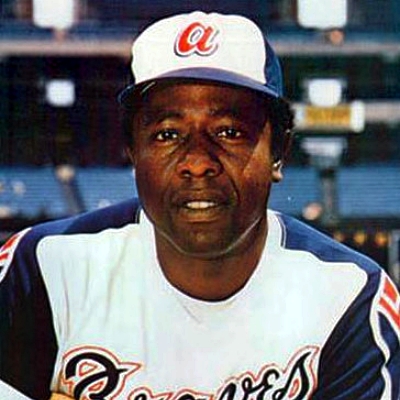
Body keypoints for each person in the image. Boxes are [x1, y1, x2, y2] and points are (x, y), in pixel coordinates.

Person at [0, 10, 399, 400]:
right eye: (167, 134)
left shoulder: (348, 294)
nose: (197, 162)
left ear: (278, 152)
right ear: (133, 152)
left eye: (229, 132)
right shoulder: (43, 266)